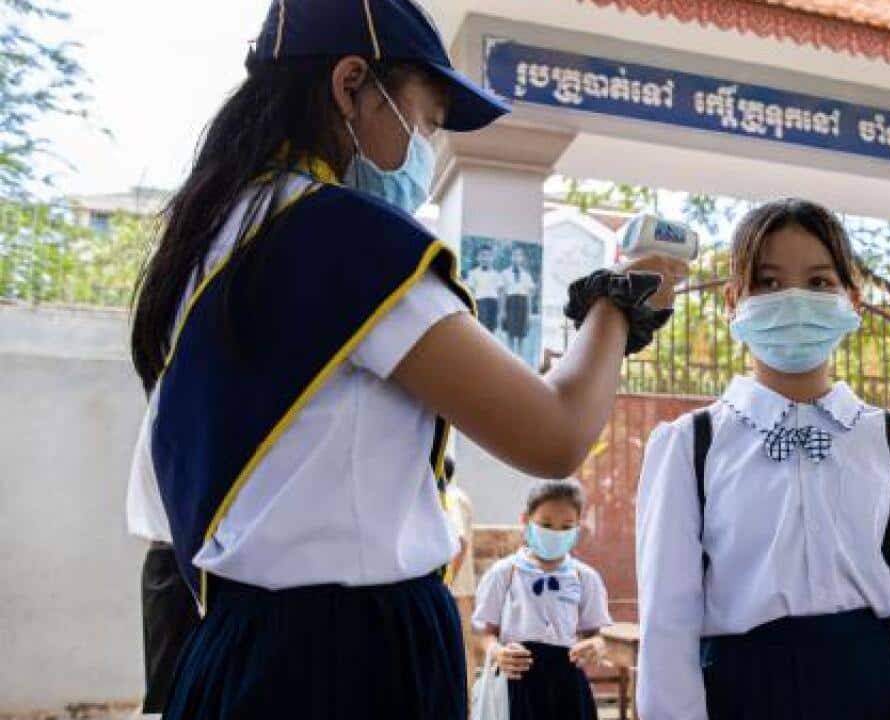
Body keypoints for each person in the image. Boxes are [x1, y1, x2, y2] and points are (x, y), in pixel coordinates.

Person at [127, 2, 685, 717]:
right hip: (349, 656)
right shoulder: (343, 238)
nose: (429, 148)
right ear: (350, 82)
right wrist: (622, 299)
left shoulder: (212, 237)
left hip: (237, 642)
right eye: (424, 119)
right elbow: (555, 430)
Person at [636, 199, 890, 720]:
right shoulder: (689, 444)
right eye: (767, 282)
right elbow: (667, 622)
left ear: (852, 299)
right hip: (743, 692)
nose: (793, 299)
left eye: (818, 283)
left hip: (871, 688)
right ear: (732, 300)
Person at [473, 480, 612, 720]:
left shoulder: (585, 577)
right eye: (546, 524)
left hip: (567, 685)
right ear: (525, 521)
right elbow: (482, 632)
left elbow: (598, 633)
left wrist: (597, 645)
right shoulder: (504, 573)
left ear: (578, 527)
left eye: (566, 526)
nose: (556, 532)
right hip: (518, 682)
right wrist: (497, 652)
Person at [126, 404, 200, 714]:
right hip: (179, 561)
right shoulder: (179, 401)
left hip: (175, 559)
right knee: (171, 698)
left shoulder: (174, 396)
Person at [443, 457, 478, 682]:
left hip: (456, 589)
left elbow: (460, 541)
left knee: (461, 651)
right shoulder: (456, 495)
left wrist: (447, 581)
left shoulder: (451, 497)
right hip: (458, 587)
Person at [502, 246, 538, 357]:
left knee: (521, 335)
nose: (516, 258)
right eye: (514, 255)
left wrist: (529, 313)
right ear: (510, 257)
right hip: (511, 303)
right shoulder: (505, 273)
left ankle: (519, 360)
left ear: (522, 258)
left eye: (518, 255)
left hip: (523, 304)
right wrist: (503, 310)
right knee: (510, 334)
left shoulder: (527, 275)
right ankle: (510, 359)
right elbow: (503, 294)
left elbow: (530, 296)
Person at [466, 245, 503, 333]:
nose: (485, 258)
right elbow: (470, 292)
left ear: (492, 258)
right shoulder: (473, 273)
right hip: (479, 303)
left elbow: (500, 293)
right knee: (479, 330)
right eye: (482, 255)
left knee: (491, 331)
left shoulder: (497, 274)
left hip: (493, 303)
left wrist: (501, 312)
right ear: (478, 257)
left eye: (488, 256)